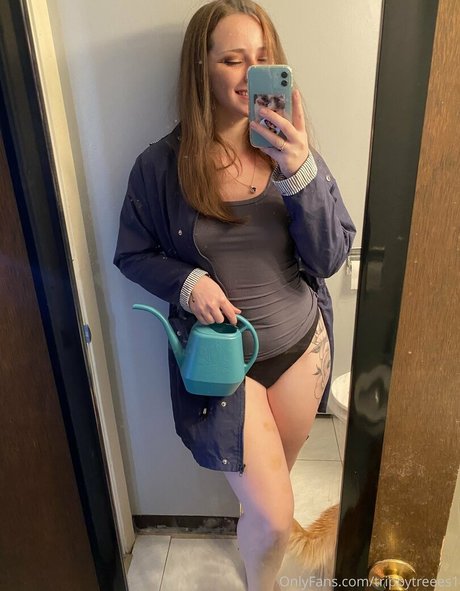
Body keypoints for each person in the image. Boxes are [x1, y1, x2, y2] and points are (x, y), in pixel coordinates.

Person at [114, 1, 356, 589]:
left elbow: (330, 258)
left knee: (269, 498)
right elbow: (132, 253)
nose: (251, 73)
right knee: (274, 515)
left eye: (263, 58)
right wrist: (188, 283)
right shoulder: (159, 166)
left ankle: (255, 563)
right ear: (202, 66)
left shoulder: (292, 149)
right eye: (232, 59)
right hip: (227, 365)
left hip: (301, 349)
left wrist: (299, 169)